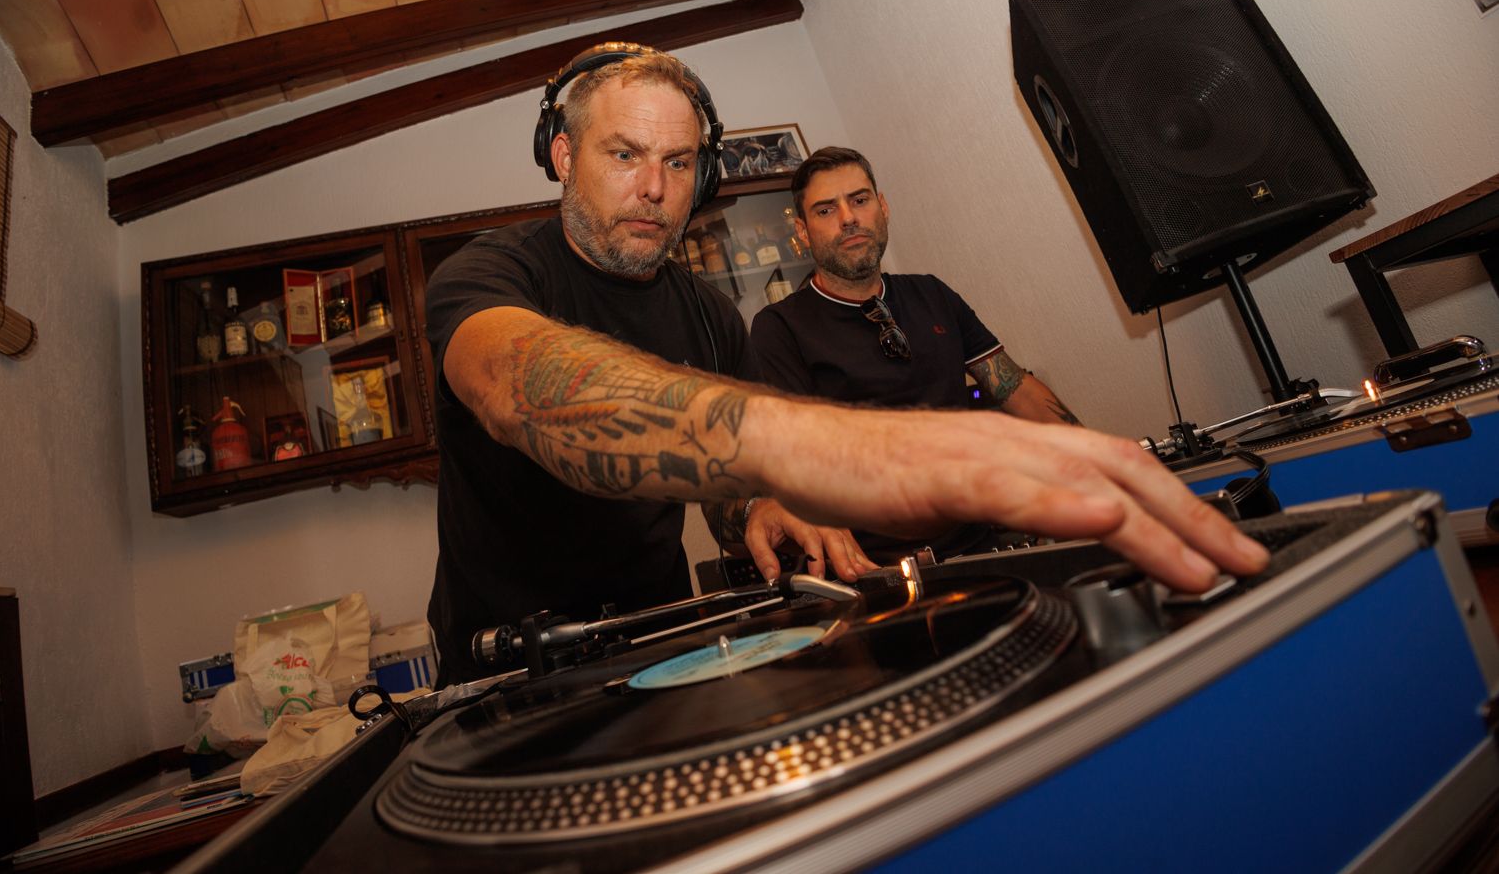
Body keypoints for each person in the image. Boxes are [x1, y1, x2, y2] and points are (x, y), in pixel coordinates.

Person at [423, 43, 1268, 684]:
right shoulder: (489, 274)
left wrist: (760, 506)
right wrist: (847, 453)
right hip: (503, 653)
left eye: (679, 163)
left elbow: (724, 492)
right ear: (564, 158)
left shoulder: (711, 315)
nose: (654, 188)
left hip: (654, 631)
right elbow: (518, 386)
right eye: (623, 155)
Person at [749, 146, 1078, 562]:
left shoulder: (933, 293)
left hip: (979, 549)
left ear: (882, 207)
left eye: (860, 200)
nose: (849, 218)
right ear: (802, 231)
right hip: (874, 572)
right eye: (826, 210)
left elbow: (1014, 387)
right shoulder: (780, 327)